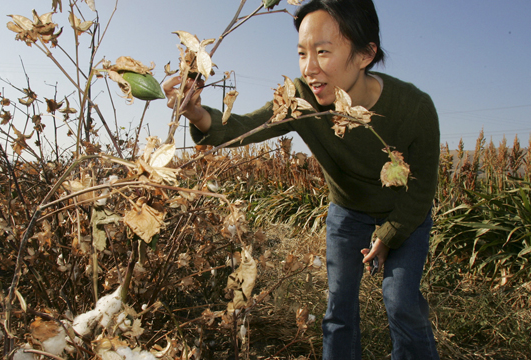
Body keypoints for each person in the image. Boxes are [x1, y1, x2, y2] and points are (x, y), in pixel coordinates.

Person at [163, 0, 440, 359]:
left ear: (365, 54)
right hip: (348, 212)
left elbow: (421, 190)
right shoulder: (300, 99)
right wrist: (197, 112)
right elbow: (244, 127)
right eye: (302, 53)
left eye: (323, 52)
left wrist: (389, 236)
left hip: (405, 213)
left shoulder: (415, 107)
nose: (310, 69)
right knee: (338, 308)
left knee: (401, 302)